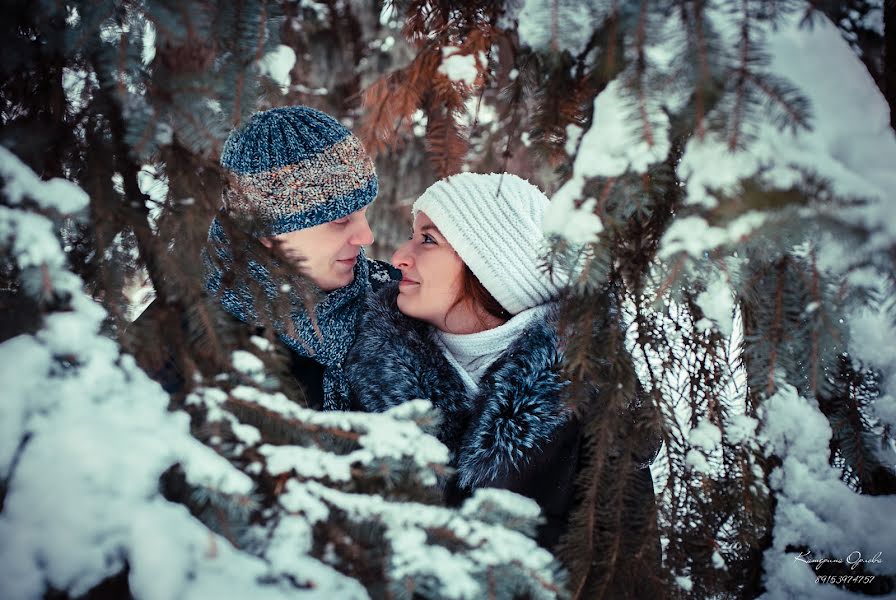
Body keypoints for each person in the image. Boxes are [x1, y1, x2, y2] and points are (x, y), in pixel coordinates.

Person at [345, 172, 658, 554]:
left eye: (428, 239)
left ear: (493, 265)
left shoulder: (591, 401)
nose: (399, 257)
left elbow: (623, 574)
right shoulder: (366, 367)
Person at [133, 106, 397, 410]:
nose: (366, 237)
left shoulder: (391, 296)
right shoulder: (175, 340)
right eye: (339, 221)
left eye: (364, 214)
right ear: (267, 233)